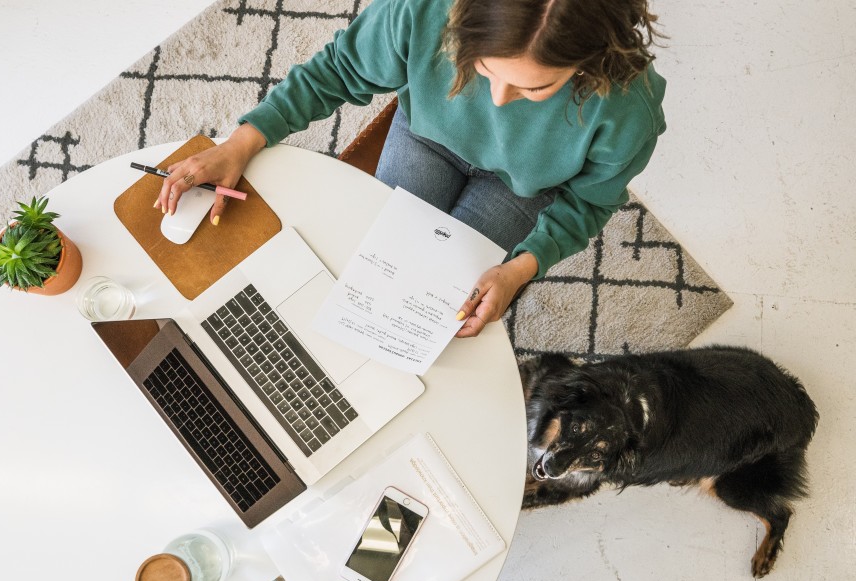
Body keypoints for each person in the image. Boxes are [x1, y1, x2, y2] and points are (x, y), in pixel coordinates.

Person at [155, 0, 666, 338]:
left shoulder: (627, 109)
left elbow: (590, 202)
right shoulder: (426, 10)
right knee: (363, 274)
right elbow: (340, 69)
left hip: (525, 190)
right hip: (426, 136)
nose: (499, 100)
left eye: (534, 89)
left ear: (590, 64)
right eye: (483, 69)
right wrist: (242, 142)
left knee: (433, 319)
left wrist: (520, 269)